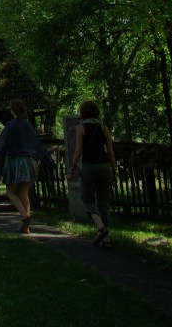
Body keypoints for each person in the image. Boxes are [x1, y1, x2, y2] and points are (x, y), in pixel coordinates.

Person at [0, 98, 54, 234]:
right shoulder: (28, 125)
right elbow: (36, 144)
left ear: (12, 110)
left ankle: (25, 217)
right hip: (29, 162)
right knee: (24, 193)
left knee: (11, 191)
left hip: (16, 161)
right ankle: (26, 227)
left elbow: (4, 143)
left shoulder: (11, 125)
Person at [67, 100, 117, 246]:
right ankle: (106, 238)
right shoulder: (104, 128)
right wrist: (114, 170)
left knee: (88, 199)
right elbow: (110, 152)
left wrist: (72, 169)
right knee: (103, 202)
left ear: (83, 113)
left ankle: (101, 229)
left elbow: (78, 151)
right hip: (104, 166)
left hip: (89, 166)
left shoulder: (81, 128)